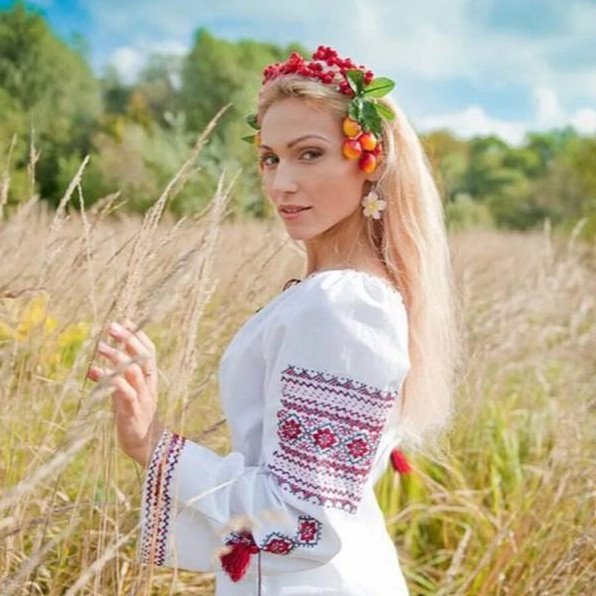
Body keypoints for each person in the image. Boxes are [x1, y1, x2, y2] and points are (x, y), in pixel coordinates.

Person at [87, 45, 461, 595]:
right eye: (270, 158)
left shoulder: (343, 304)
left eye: (309, 154)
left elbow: (302, 521)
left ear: (372, 162)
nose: (281, 182)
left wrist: (154, 445)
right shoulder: (340, 294)